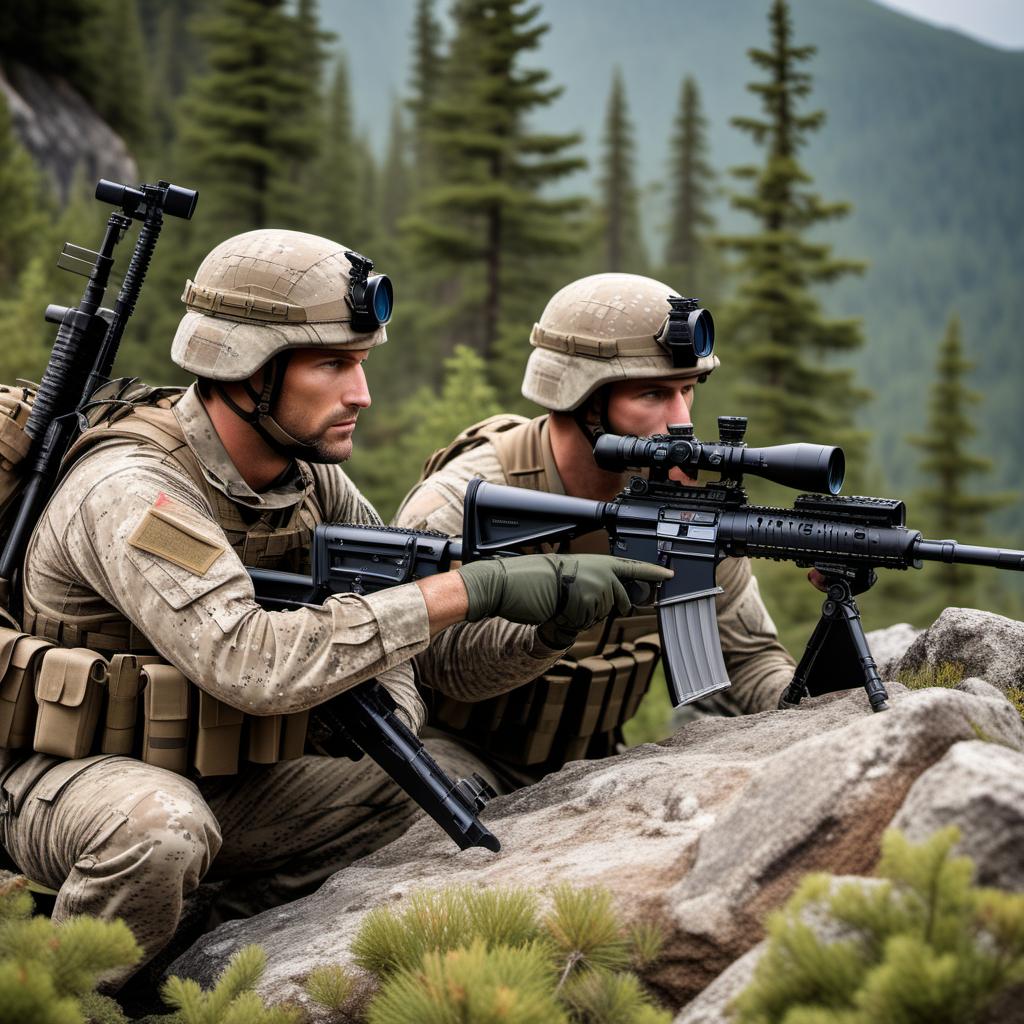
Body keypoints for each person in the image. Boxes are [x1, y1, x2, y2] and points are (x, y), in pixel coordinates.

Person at [0, 232, 667, 986]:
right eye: (332, 365)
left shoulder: (307, 480)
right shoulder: (133, 489)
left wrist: (547, 627)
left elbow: (409, 650)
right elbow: (246, 661)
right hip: (70, 777)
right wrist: (471, 588)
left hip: (225, 772)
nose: (361, 394)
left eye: (362, 364)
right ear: (247, 369)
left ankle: (198, 971)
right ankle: (56, 996)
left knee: (429, 788)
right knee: (160, 833)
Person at [394, 272, 797, 787]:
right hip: (457, 757)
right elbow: (437, 667)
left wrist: (816, 710)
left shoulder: (685, 503)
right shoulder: (465, 501)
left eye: (687, 391)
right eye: (652, 395)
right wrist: (551, 623)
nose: (681, 423)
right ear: (583, 400)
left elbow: (749, 660)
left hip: (597, 764)